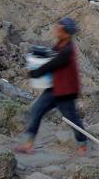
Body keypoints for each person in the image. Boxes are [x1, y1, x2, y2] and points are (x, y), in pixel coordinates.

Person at [16, 17, 87, 155]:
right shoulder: (61, 43)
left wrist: (35, 72)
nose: (55, 29)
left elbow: (52, 64)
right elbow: (50, 55)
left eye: (58, 28)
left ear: (66, 33)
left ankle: (82, 146)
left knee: (72, 119)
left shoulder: (67, 50)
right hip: (55, 88)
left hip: (66, 91)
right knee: (36, 110)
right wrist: (38, 53)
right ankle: (28, 145)